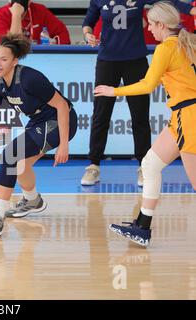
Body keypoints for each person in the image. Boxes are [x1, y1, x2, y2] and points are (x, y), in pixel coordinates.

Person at [0, 34, 77, 236]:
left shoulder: (30, 79)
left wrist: (64, 144)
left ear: (14, 61)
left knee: (11, 154)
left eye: (3, 59)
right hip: (39, 122)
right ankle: (32, 200)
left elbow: (62, 106)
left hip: (60, 120)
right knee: (20, 166)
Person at [94, 1, 196, 246]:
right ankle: (142, 227)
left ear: (161, 24)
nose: (149, 29)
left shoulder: (166, 48)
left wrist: (113, 91)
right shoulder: (188, 42)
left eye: (151, 24)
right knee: (150, 164)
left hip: (188, 116)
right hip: (183, 115)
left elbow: (147, 85)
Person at [81, 0, 195, 187]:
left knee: (140, 115)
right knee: (101, 114)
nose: (150, 28)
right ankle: (94, 164)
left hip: (135, 59)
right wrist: (88, 35)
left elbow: (166, 2)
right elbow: (88, 21)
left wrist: (190, 9)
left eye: (152, 25)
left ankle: (143, 165)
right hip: (107, 60)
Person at [0, 0, 71, 45]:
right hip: (8, 62)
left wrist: (54, 44)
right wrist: (16, 15)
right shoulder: (0, 15)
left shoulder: (40, 10)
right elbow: (12, 46)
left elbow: (63, 34)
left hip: (39, 58)